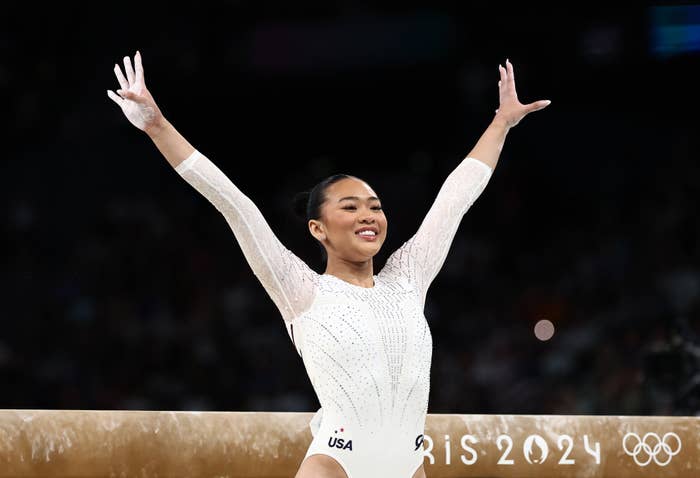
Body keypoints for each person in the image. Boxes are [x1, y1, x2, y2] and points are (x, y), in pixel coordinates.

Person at [107, 50, 550, 478]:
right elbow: (233, 204)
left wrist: (501, 122)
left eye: (375, 207)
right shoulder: (301, 291)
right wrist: (157, 126)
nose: (368, 216)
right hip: (335, 468)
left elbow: (455, 198)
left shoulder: (408, 279)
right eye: (351, 207)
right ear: (318, 229)